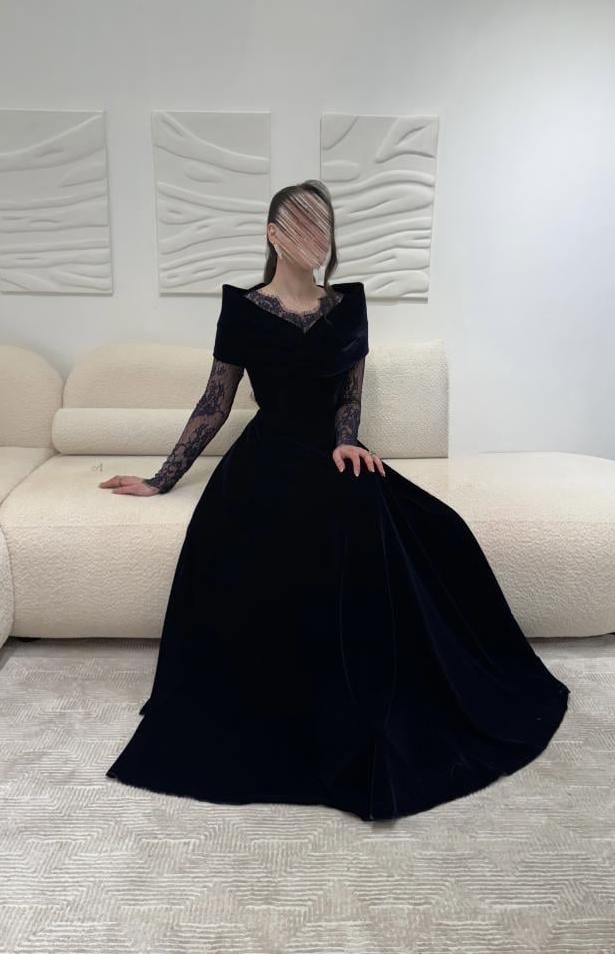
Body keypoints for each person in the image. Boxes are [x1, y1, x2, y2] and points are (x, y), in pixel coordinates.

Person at [101, 179, 569, 822]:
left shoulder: (348, 306)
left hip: (332, 451)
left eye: (323, 225)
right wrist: (163, 477)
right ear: (273, 235)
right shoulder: (242, 310)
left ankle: (387, 683)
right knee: (271, 535)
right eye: (301, 224)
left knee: (434, 527)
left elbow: (350, 395)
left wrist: (347, 440)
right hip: (267, 455)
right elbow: (216, 402)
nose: (315, 237)